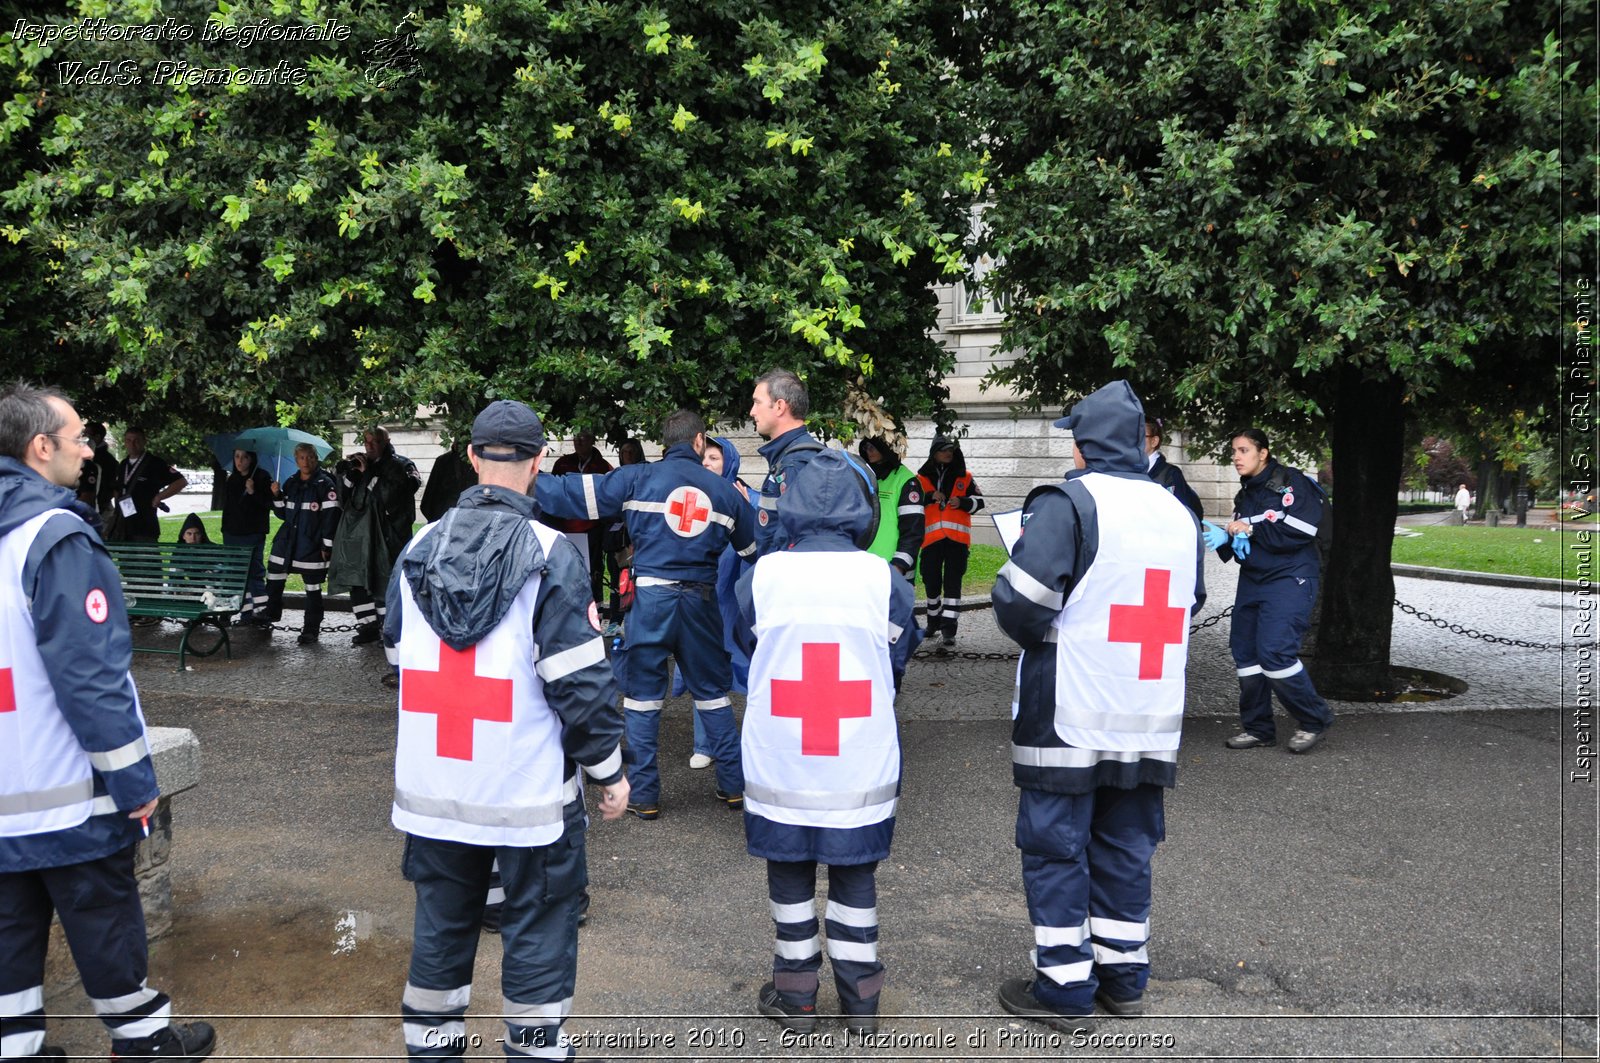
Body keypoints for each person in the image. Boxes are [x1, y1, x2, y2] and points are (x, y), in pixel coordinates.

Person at [382, 398, 628, 1059]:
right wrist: (609, 772)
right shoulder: (550, 553)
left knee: (439, 935)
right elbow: (579, 684)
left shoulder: (416, 548)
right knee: (540, 931)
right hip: (528, 799)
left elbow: (399, 658)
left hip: (436, 792)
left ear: (469, 459)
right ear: (538, 463)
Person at [0, 382, 216, 1062]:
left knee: (8, 936)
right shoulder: (56, 536)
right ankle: (144, 1040)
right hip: (65, 792)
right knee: (105, 919)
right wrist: (134, 782)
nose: (91, 448)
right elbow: (91, 678)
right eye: (80, 436)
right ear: (41, 447)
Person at [991, 380, 1204, 1031]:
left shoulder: (1069, 503)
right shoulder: (1178, 510)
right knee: (1127, 844)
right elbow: (1189, 603)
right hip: (1149, 714)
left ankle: (1063, 985)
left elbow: (1020, 603)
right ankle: (1123, 976)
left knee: (1057, 846)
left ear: (1084, 444)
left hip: (1071, 709)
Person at [735, 449, 915, 1035]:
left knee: (788, 870)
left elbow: (744, 641)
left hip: (781, 756)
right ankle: (861, 1001)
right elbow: (898, 653)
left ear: (788, 509)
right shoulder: (883, 579)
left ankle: (797, 995)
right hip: (858, 756)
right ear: (862, 512)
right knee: (855, 873)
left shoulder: (759, 577)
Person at [536, 410, 756, 820]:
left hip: (650, 601)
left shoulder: (636, 478)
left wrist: (524, 471)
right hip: (700, 603)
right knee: (712, 695)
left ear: (663, 443)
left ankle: (645, 796)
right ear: (698, 441)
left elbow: (571, 494)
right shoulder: (724, 492)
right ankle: (733, 787)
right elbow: (751, 552)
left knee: (641, 700)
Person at [1211, 428, 1334, 754]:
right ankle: (1259, 729)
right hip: (1253, 580)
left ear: (1263, 453)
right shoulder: (1247, 492)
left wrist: (1250, 530)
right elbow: (1244, 544)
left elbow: (1303, 529)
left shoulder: (1292, 483)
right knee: (1247, 656)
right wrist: (1227, 539)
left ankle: (1314, 719)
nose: (1236, 457)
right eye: (1233, 451)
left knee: (1275, 654)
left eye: (1243, 450)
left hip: (1290, 579)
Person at [685, 436, 756, 770]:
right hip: (703, 595)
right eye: (703, 457)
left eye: (714, 457)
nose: (707, 463)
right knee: (703, 669)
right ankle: (705, 743)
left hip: (738, 599)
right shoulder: (692, 498)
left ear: (729, 461)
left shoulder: (746, 496)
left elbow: (766, 543)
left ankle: (759, 735)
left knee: (751, 668)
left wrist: (750, 510)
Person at [334, 426, 422, 646]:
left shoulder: (400, 465)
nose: (370, 446)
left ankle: (388, 628)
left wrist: (369, 474)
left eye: (375, 442)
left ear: (386, 441)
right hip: (358, 536)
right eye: (367, 442)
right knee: (358, 581)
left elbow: (393, 495)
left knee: (384, 581)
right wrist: (346, 475)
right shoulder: (361, 466)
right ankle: (367, 625)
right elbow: (343, 500)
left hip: (387, 536)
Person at [262, 442, 340, 645]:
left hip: (311, 544)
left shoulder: (325, 484)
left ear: (316, 459)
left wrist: (327, 545)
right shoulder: (290, 482)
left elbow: (330, 517)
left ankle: (311, 630)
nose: (306, 461)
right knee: (274, 577)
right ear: (296, 460)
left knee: (312, 589)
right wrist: (277, 495)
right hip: (287, 542)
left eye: (310, 457)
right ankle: (269, 615)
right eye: (302, 457)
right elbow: (282, 514)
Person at [916, 437, 985, 644]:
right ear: (934, 453)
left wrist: (963, 502)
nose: (948, 453)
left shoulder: (966, 477)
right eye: (944, 450)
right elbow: (911, 502)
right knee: (931, 581)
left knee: (953, 584)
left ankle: (949, 630)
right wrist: (929, 497)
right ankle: (933, 622)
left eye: (951, 451)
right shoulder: (920, 479)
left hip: (957, 540)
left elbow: (980, 502)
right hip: (931, 540)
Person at [751, 369, 824, 556]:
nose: (752, 412)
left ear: (779, 406)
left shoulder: (794, 464)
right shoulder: (792, 457)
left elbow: (795, 542)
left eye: (757, 402)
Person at [541, 430, 613, 608]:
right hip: (566, 527)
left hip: (592, 528)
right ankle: (567, 605)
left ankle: (597, 606)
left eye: (583, 438)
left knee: (594, 570)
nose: (578, 442)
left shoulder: (603, 466)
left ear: (592, 440)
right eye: (576, 438)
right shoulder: (562, 463)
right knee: (567, 568)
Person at [858, 437, 924, 580]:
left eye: (873, 447)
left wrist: (899, 565)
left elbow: (913, 531)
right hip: (865, 568)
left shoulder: (906, 481)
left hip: (894, 569)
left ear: (885, 447)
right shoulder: (866, 477)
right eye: (866, 447)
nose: (868, 451)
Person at [221, 448, 273, 623]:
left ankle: (261, 610)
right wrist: (225, 530)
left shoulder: (262, 477)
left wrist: (253, 492)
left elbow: (267, 504)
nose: (240, 461)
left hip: (252, 531)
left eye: (245, 457)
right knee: (237, 572)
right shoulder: (232, 479)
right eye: (236, 456)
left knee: (254, 570)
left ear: (252, 459)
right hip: (232, 533)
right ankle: (246, 611)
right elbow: (228, 508)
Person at [116, 426, 187, 543]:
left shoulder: (155, 463)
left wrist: (159, 497)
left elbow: (181, 482)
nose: (132, 444)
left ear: (144, 442)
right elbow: (117, 488)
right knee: (125, 560)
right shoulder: (123, 464)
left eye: (136, 440)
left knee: (146, 558)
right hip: (123, 524)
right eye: (128, 440)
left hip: (145, 525)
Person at [1144, 418, 1203, 520]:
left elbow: (1180, 513)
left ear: (1154, 441)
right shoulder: (1126, 470)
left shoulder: (1170, 474)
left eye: (1140, 436)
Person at [419, 444, 477, 523]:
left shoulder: (478, 462)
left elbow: (427, 502)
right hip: (444, 519)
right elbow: (428, 500)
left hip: (467, 518)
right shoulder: (442, 461)